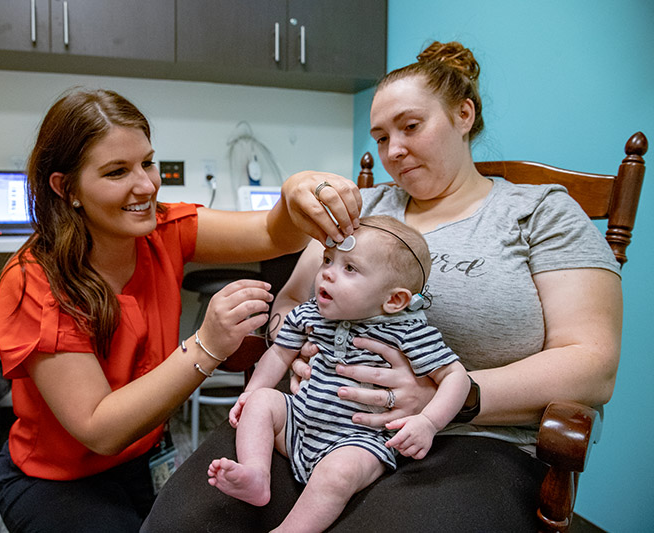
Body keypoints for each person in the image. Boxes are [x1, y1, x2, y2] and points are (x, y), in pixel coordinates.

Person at [142, 41, 623, 532]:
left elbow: (592, 364)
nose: (393, 151)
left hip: (470, 440)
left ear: (463, 114)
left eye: (411, 127)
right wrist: (298, 348)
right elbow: (288, 303)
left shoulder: (538, 212)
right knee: (187, 520)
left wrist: (443, 400)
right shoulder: (362, 209)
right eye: (380, 136)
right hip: (315, 416)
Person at [0, 88, 362, 533]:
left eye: (147, 162)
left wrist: (295, 190)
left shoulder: (163, 230)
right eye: (116, 172)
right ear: (65, 188)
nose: (146, 185)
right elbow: (99, 428)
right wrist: (207, 344)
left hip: (144, 458)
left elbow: (274, 233)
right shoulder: (35, 281)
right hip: (56, 480)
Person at [208, 215, 470, 532]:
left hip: (361, 441)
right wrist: (251, 394)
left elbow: (456, 377)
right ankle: (256, 475)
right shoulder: (310, 314)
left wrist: (429, 422)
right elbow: (278, 353)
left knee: (338, 474)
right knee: (262, 401)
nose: (327, 275)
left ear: (394, 299)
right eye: (328, 260)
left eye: (349, 268)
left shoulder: (408, 333)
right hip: (300, 422)